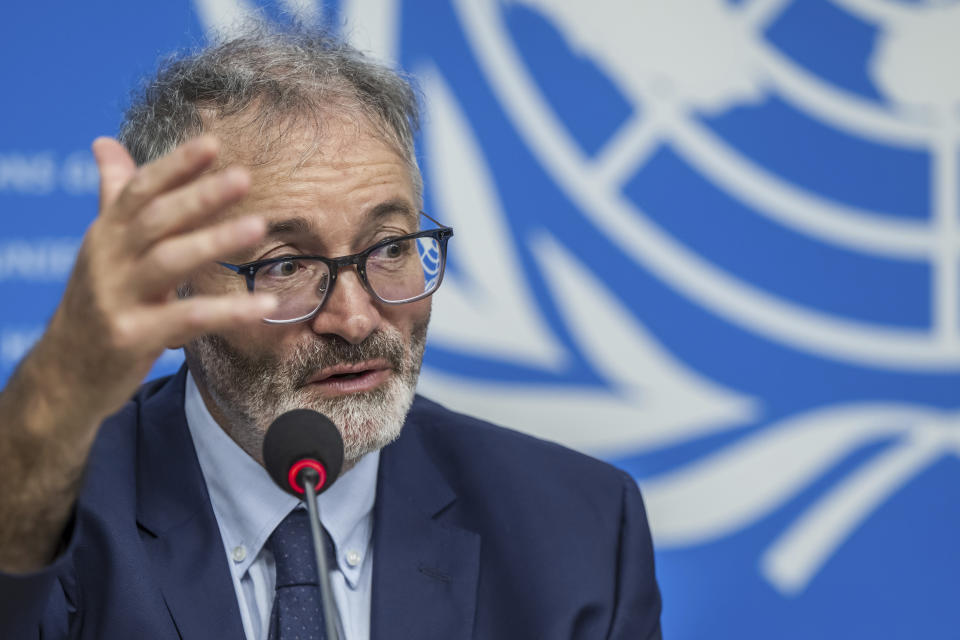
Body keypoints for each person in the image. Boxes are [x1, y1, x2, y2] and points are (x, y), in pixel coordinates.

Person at [0, 25, 662, 640]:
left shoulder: (581, 531)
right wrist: (63, 380)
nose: (354, 318)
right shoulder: (50, 512)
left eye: (391, 248)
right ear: (173, 283)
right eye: (286, 264)